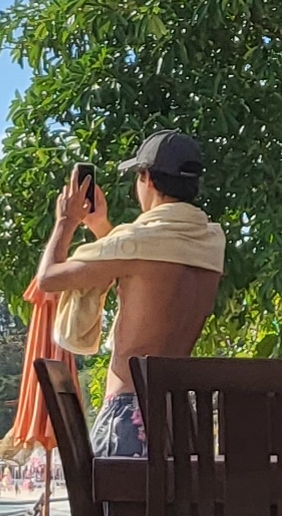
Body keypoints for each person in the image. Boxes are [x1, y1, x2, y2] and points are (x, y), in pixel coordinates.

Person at [29, 132, 226, 459]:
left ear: (147, 178)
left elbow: (48, 279)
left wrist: (66, 222)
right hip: (180, 422)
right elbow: (142, 268)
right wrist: (101, 227)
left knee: (113, 497)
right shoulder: (211, 242)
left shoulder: (138, 242)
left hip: (131, 417)